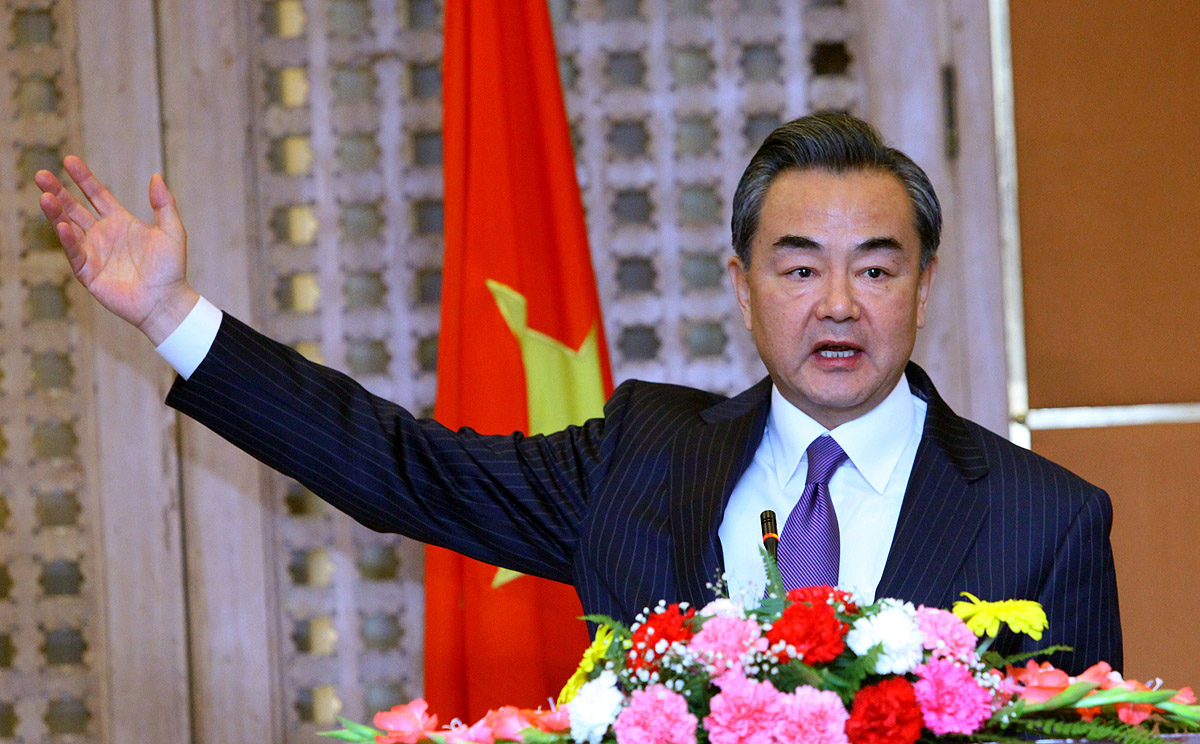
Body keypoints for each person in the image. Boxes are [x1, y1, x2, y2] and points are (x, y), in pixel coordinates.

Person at [35, 111, 1121, 674]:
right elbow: (401, 468)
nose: (838, 302)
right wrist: (173, 316)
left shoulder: (1046, 518)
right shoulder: (643, 457)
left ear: (923, 284)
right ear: (743, 287)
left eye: (876, 268)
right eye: (799, 267)